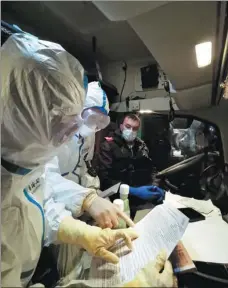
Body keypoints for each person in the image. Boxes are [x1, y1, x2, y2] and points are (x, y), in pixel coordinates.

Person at [1, 33, 176, 288]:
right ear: (16, 113)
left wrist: (80, 228)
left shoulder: (26, 157)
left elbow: (40, 197)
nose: (67, 137)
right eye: (58, 123)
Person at [98, 114, 165, 210]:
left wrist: (154, 186)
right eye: (128, 127)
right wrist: (132, 190)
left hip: (141, 198)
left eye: (135, 128)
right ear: (121, 126)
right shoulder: (108, 146)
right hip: (118, 199)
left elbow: (152, 170)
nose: (131, 131)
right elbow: (104, 180)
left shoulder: (142, 146)